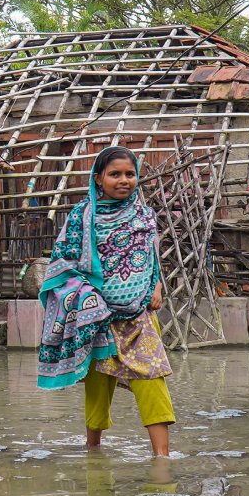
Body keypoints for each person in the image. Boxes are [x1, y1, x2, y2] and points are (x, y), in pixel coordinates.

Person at [36, 146, 175, 456]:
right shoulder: (81, 216)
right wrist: (87, 300)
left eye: (130, 174)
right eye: (115, 174)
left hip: (137, 317)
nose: (123, 180)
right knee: (98, 389)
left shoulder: (143, 214)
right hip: (95, 318)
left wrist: (156, 289)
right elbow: (64, 264)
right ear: (98, 178)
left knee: (152, 380)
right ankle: (93, 451)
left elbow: (150, 258)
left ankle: (162, 460)